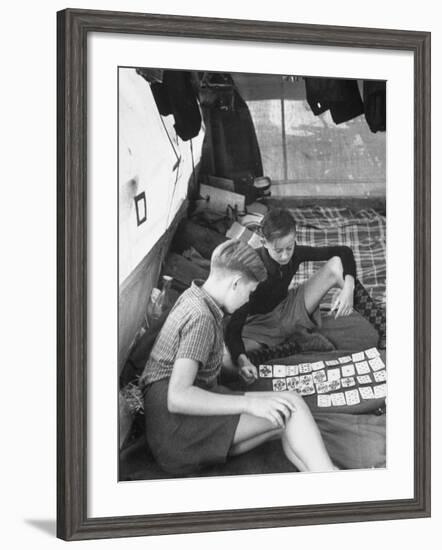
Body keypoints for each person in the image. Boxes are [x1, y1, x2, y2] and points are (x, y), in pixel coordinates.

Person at [139, 239, 336, 475]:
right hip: (176, 426)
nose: (248, 300)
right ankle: (333, 483)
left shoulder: (195, 296)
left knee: (281, 420)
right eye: (250, 291)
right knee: (291, 405)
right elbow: (178, 397)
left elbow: (200, 358)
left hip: (165, 435)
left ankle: (325, 475)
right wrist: (250, 403)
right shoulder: (201, 317)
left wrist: (238, 365)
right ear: (235, 283)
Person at [224, 207, 386, 385]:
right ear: (264, 242)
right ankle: (296, 345)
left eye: (290, 247)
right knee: (228, 364)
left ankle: (384, 327)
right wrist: (242, 359)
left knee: (336, 266)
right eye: (279, 251)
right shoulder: (252, 268)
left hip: (290, 307)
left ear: (294, 238)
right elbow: (233, 329)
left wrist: (348, 287)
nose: (285, 255)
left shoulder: (296, 253)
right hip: (258, 326)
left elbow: (343, 252)